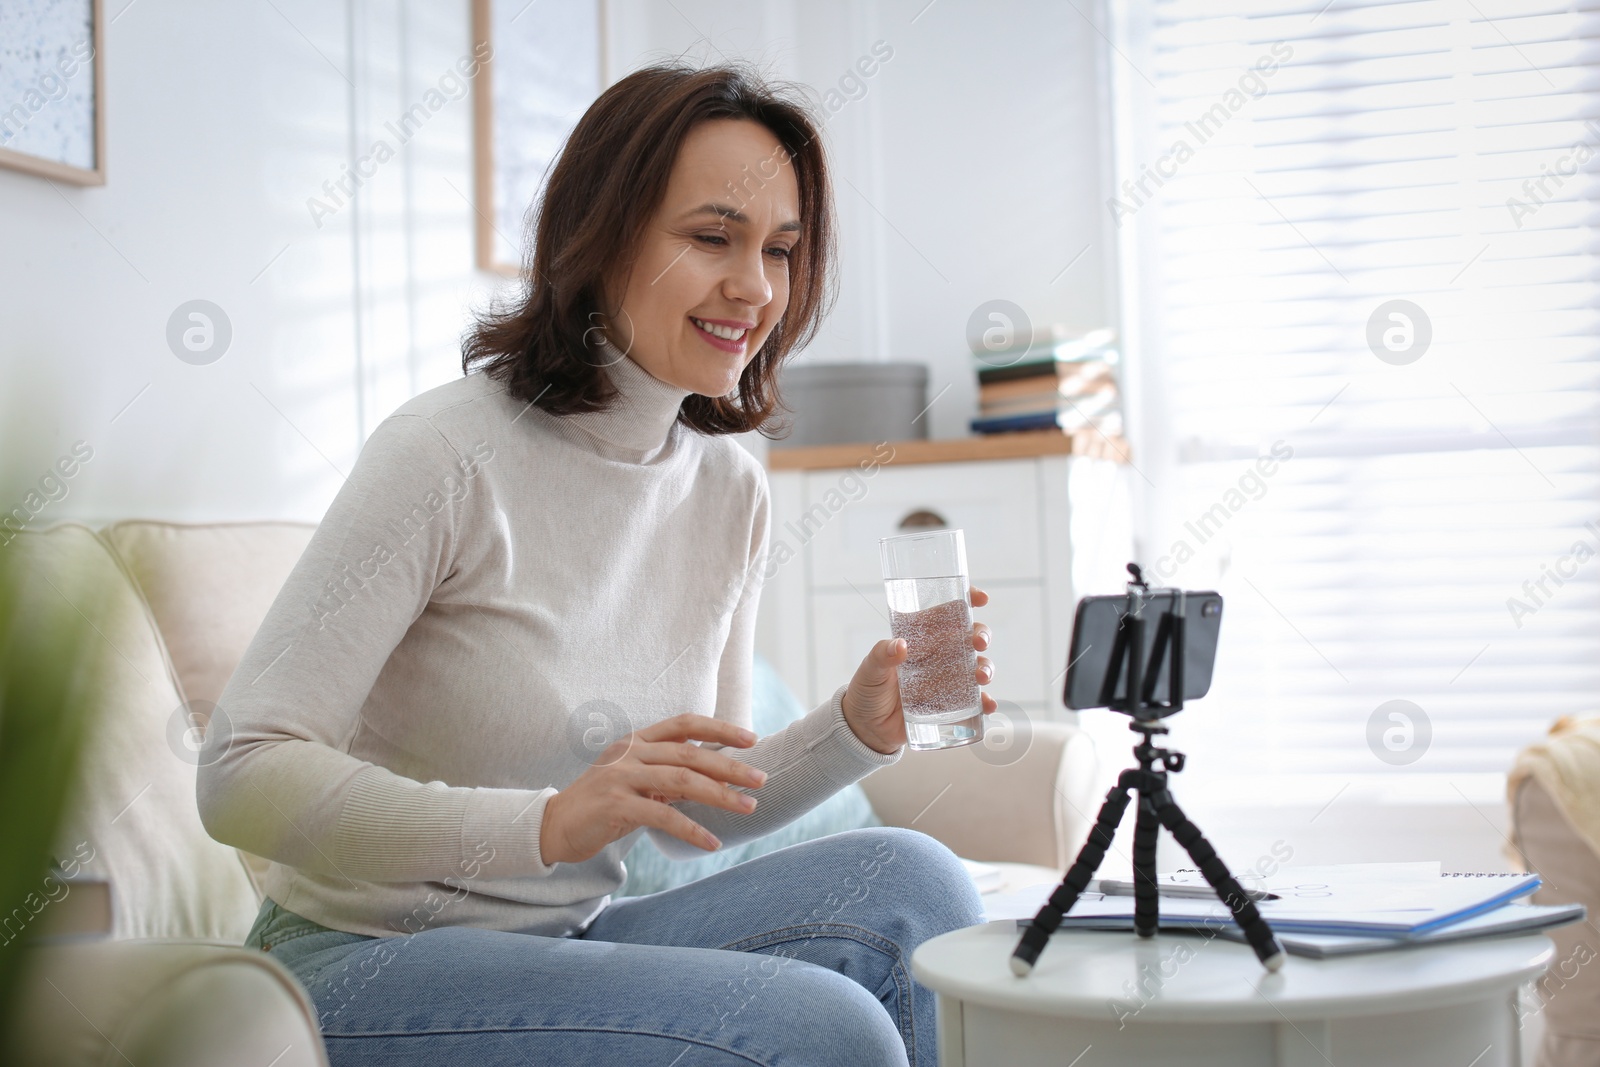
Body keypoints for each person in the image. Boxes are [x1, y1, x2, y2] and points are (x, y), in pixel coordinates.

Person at [198, 60, 997, 1066]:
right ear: (604, 235)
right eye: (712, 236)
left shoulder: (728, 486)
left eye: (780, 251)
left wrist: (852, 727)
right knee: (815, 1025)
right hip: (355, 962)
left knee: (914, 882)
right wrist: (543, 823)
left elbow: (690, 804)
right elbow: (239, 772)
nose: (753, 286)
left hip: (561, 944)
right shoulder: (445, 454)